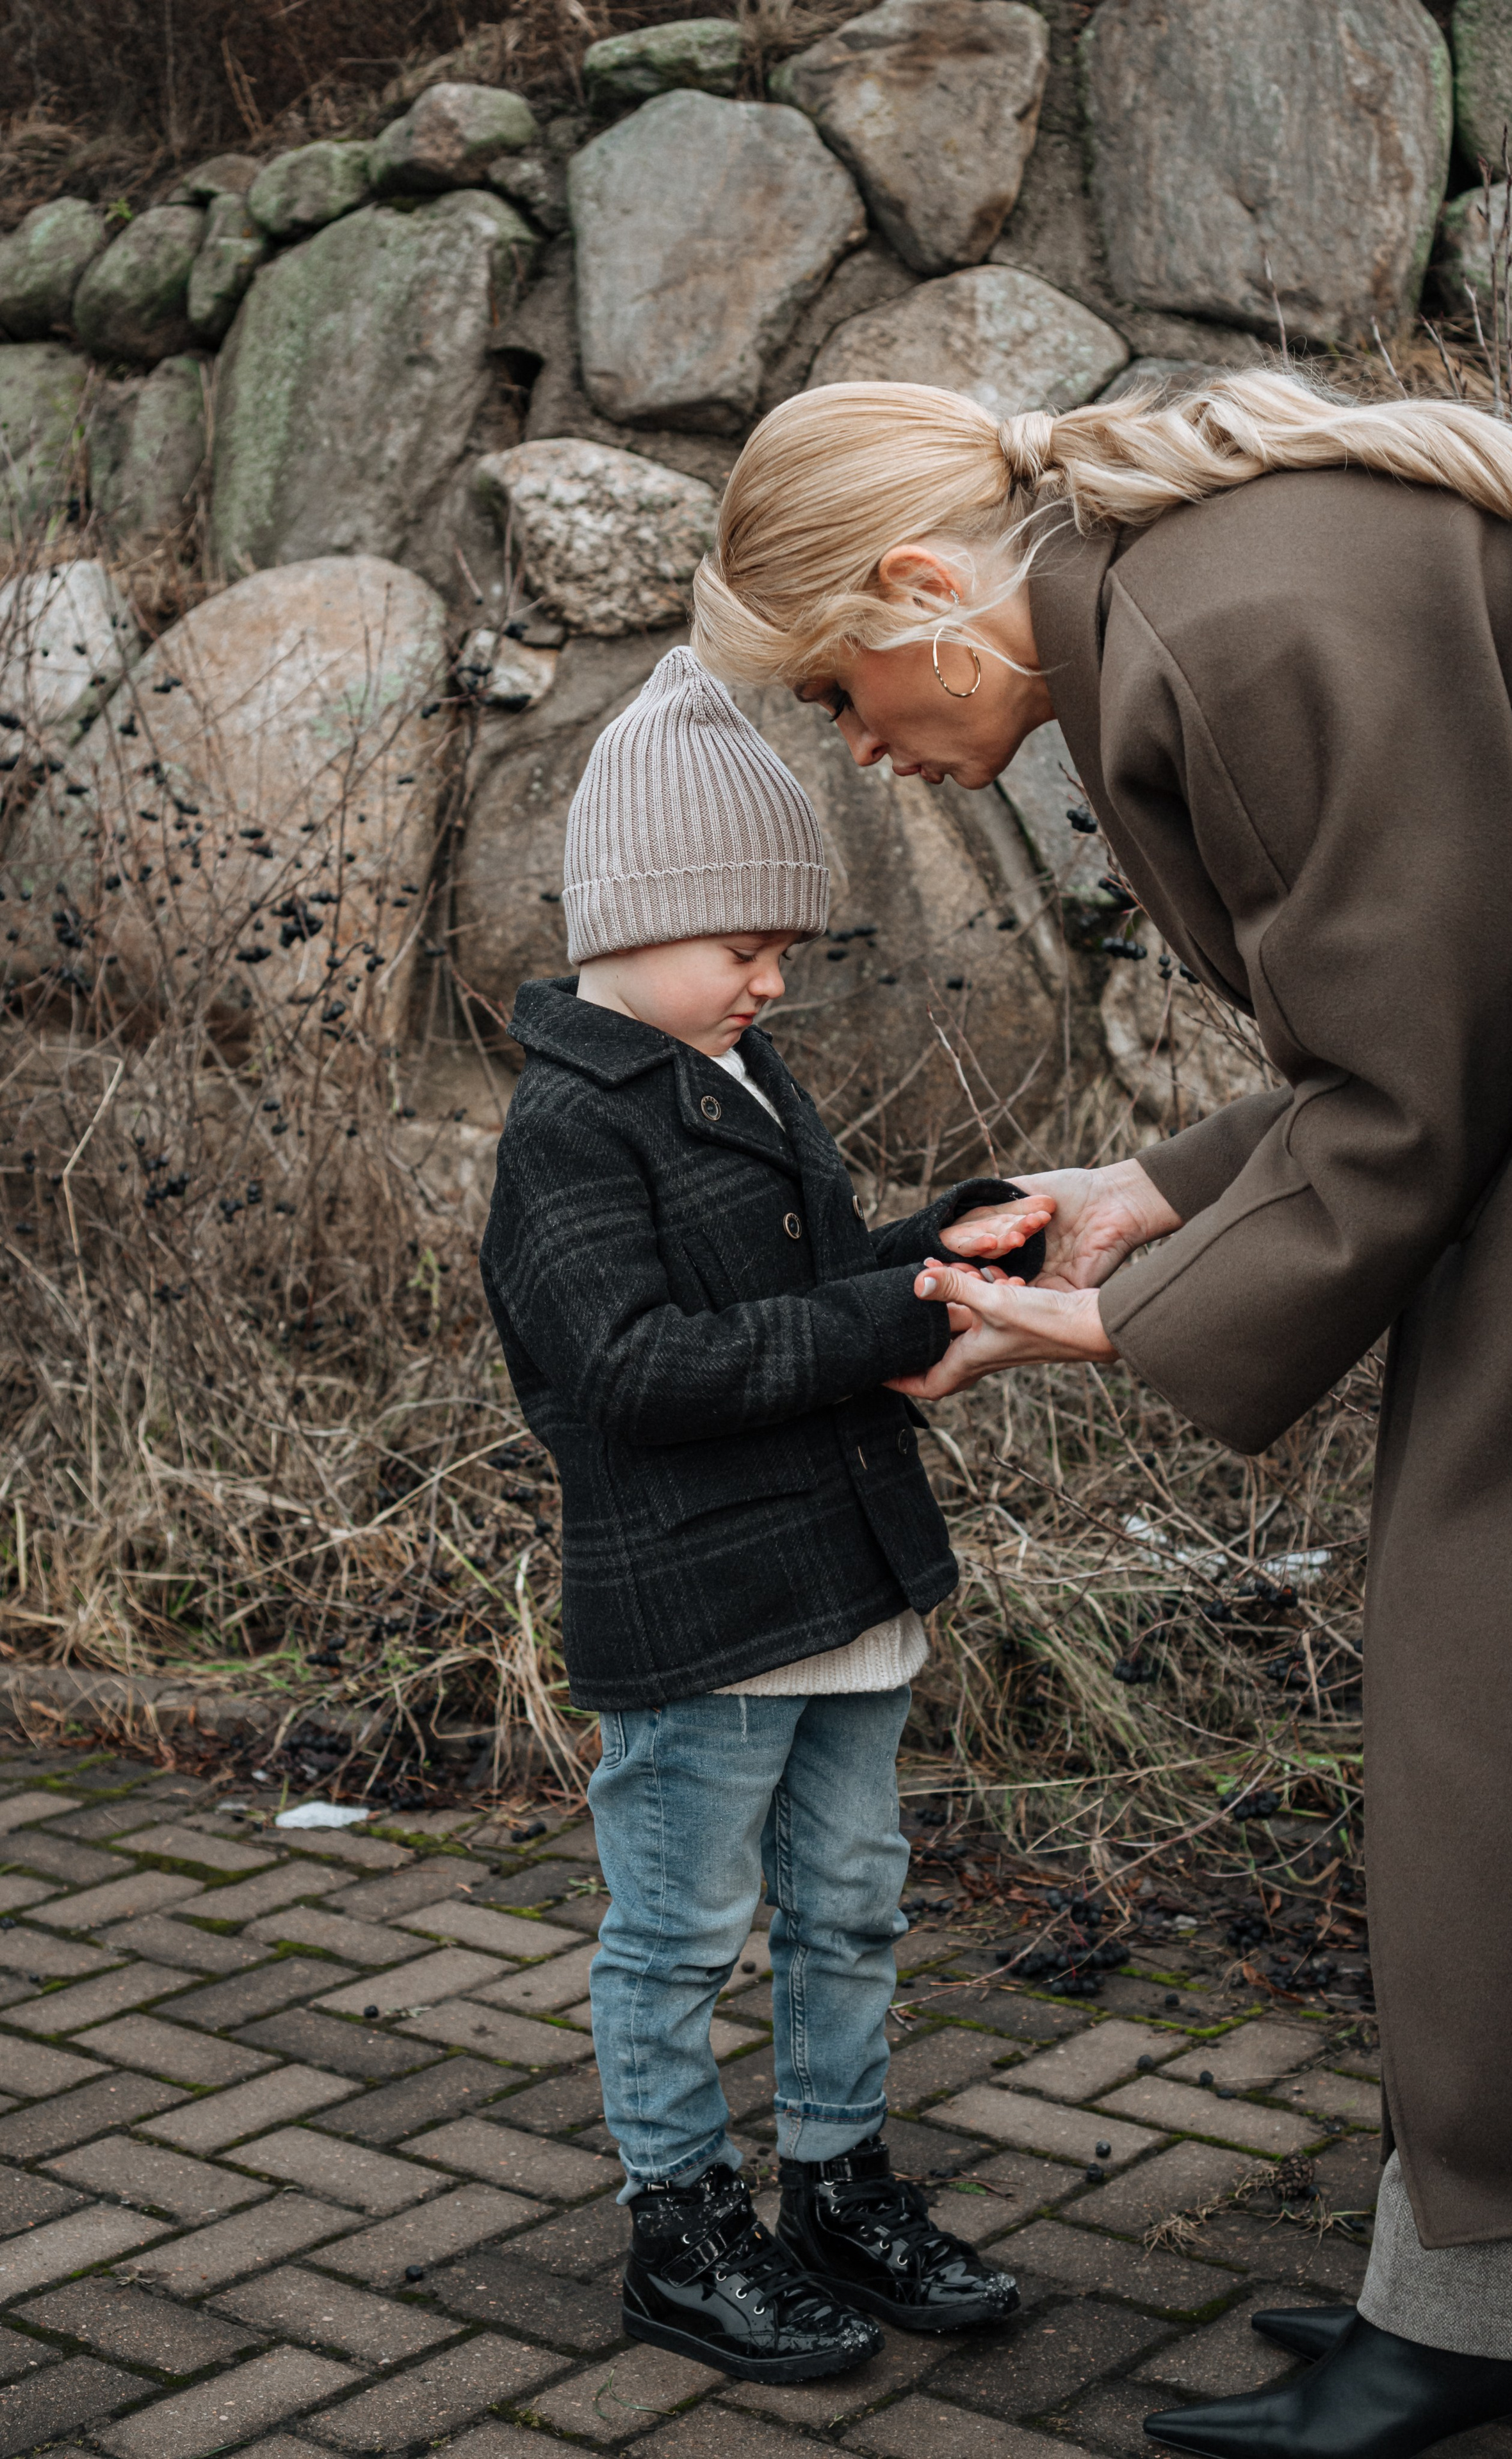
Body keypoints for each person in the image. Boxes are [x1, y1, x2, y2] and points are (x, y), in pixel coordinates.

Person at [691, 373, 1512, 2455]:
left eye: (840, 684)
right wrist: (1151, 1201)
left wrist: (1107, 1330)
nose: (860, 744)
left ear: (926, 591)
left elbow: (1414, 1103)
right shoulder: (1194, 574)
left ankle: (1501, 2313)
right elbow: (1422, 1012)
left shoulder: (1217, 625)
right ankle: (1507, 2283)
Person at [479, 647, 1049, 2386]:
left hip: (840, 1593)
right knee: (676, 1934)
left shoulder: (737, 1075)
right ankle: (683, 2231)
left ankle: (836, 2185)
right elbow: (644, 1369)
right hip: (707, 1622)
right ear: (641, 919)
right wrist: (882, 1324)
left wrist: (933, 1248)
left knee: (854, 1899)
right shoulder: (571, 1132)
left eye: (785, 948)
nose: (773, 979)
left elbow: (795, 1296)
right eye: (749, 944)